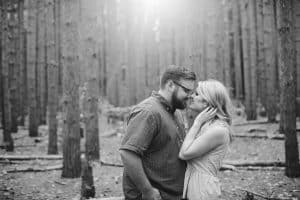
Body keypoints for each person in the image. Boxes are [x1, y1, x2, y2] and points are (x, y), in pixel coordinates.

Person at [120, 66, 196, 200]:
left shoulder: (176, 112)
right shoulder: (148, 112)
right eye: (186, 90)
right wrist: (148, 191)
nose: (190, 96)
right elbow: (128, 154)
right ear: (170, 85)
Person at [179, 79, 233, 200]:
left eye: (197, 94)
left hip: (203, 191)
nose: (191, 96)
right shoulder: (208, 125)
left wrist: (197, 123)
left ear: (207, 102)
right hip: (195, 186)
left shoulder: (218, 130)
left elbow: (184, 153)